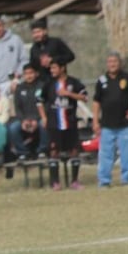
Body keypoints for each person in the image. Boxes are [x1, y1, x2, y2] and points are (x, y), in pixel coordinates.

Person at [92, 52, 128, 187]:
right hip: (107, 124)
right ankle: (104, 181)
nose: (112, 64)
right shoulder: (102, 80)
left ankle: (126, 178)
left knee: (126, 153)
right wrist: (95, 121)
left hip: (125, 124)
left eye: (114, 61)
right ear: (107, 64)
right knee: (106, 154)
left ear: (119, 63)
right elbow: (96, 101)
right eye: (109, 61)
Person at [46, 58, 88, 190]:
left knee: (74, 151)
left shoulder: (73, 82)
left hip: (70, 122)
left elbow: (84, 97)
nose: (52, 71)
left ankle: (74, 181)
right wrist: (43, 117)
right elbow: (39, 100)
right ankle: (55, 182)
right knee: (54, 152)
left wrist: (68, 94)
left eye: (54, 68)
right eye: (51, 68)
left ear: (62, 68)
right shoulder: (49, 84)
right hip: (54, 124)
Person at [8, 63, 49, 159]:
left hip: (39, 117)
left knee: (44, 124)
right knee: (13, 128)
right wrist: (23, 120)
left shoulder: (42, 86)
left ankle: (42, 151)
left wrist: (36, 119)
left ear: (36, 74)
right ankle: (22, 152)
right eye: (26, 73)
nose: (29, 76)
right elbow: (17, 108)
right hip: (24, 118)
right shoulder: (19, 88)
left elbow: (46, 105)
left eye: (31, 73)